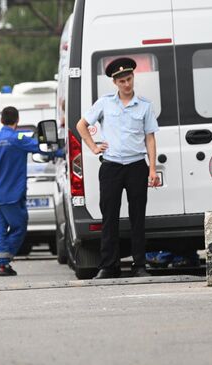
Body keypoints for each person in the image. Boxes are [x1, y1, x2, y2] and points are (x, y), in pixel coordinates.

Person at [76, 57, 160, 279]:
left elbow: (150, 138)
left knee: (137, 217)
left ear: (133, 78)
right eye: (122, 81)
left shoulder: (144, 105)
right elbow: (81, 125)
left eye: (129, 79)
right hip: (112, 166)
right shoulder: (105, 103)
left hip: (136, 166)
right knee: (109, 217)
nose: (126, 84)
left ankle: (139, 265)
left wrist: (152, 169)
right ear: (115, 83)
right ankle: (108, 266)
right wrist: (93, 147)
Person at [0, 106, 63, 276]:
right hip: (12, 195)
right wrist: (63, 151)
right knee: (19, 227)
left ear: (2, 120)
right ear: (17, 120)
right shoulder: (18, 138)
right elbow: (41, 148)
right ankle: (2, 262)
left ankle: (0, 262)